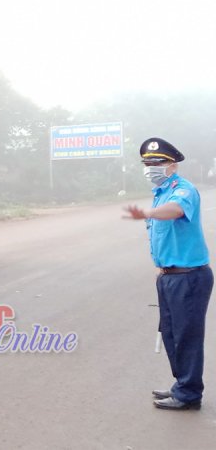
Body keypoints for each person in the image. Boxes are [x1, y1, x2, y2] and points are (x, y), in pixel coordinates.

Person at [124, 137, 213, 410]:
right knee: (171, 334)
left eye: (157, 162)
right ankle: (181, 385)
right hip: (170, 276)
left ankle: (189, 395)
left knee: (187, 336)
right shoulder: (161, 191)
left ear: (172, 165)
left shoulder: (182, 190)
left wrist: (147, 213)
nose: (151, 167)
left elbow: (175, 211)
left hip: (189, 277)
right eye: (147, 163)